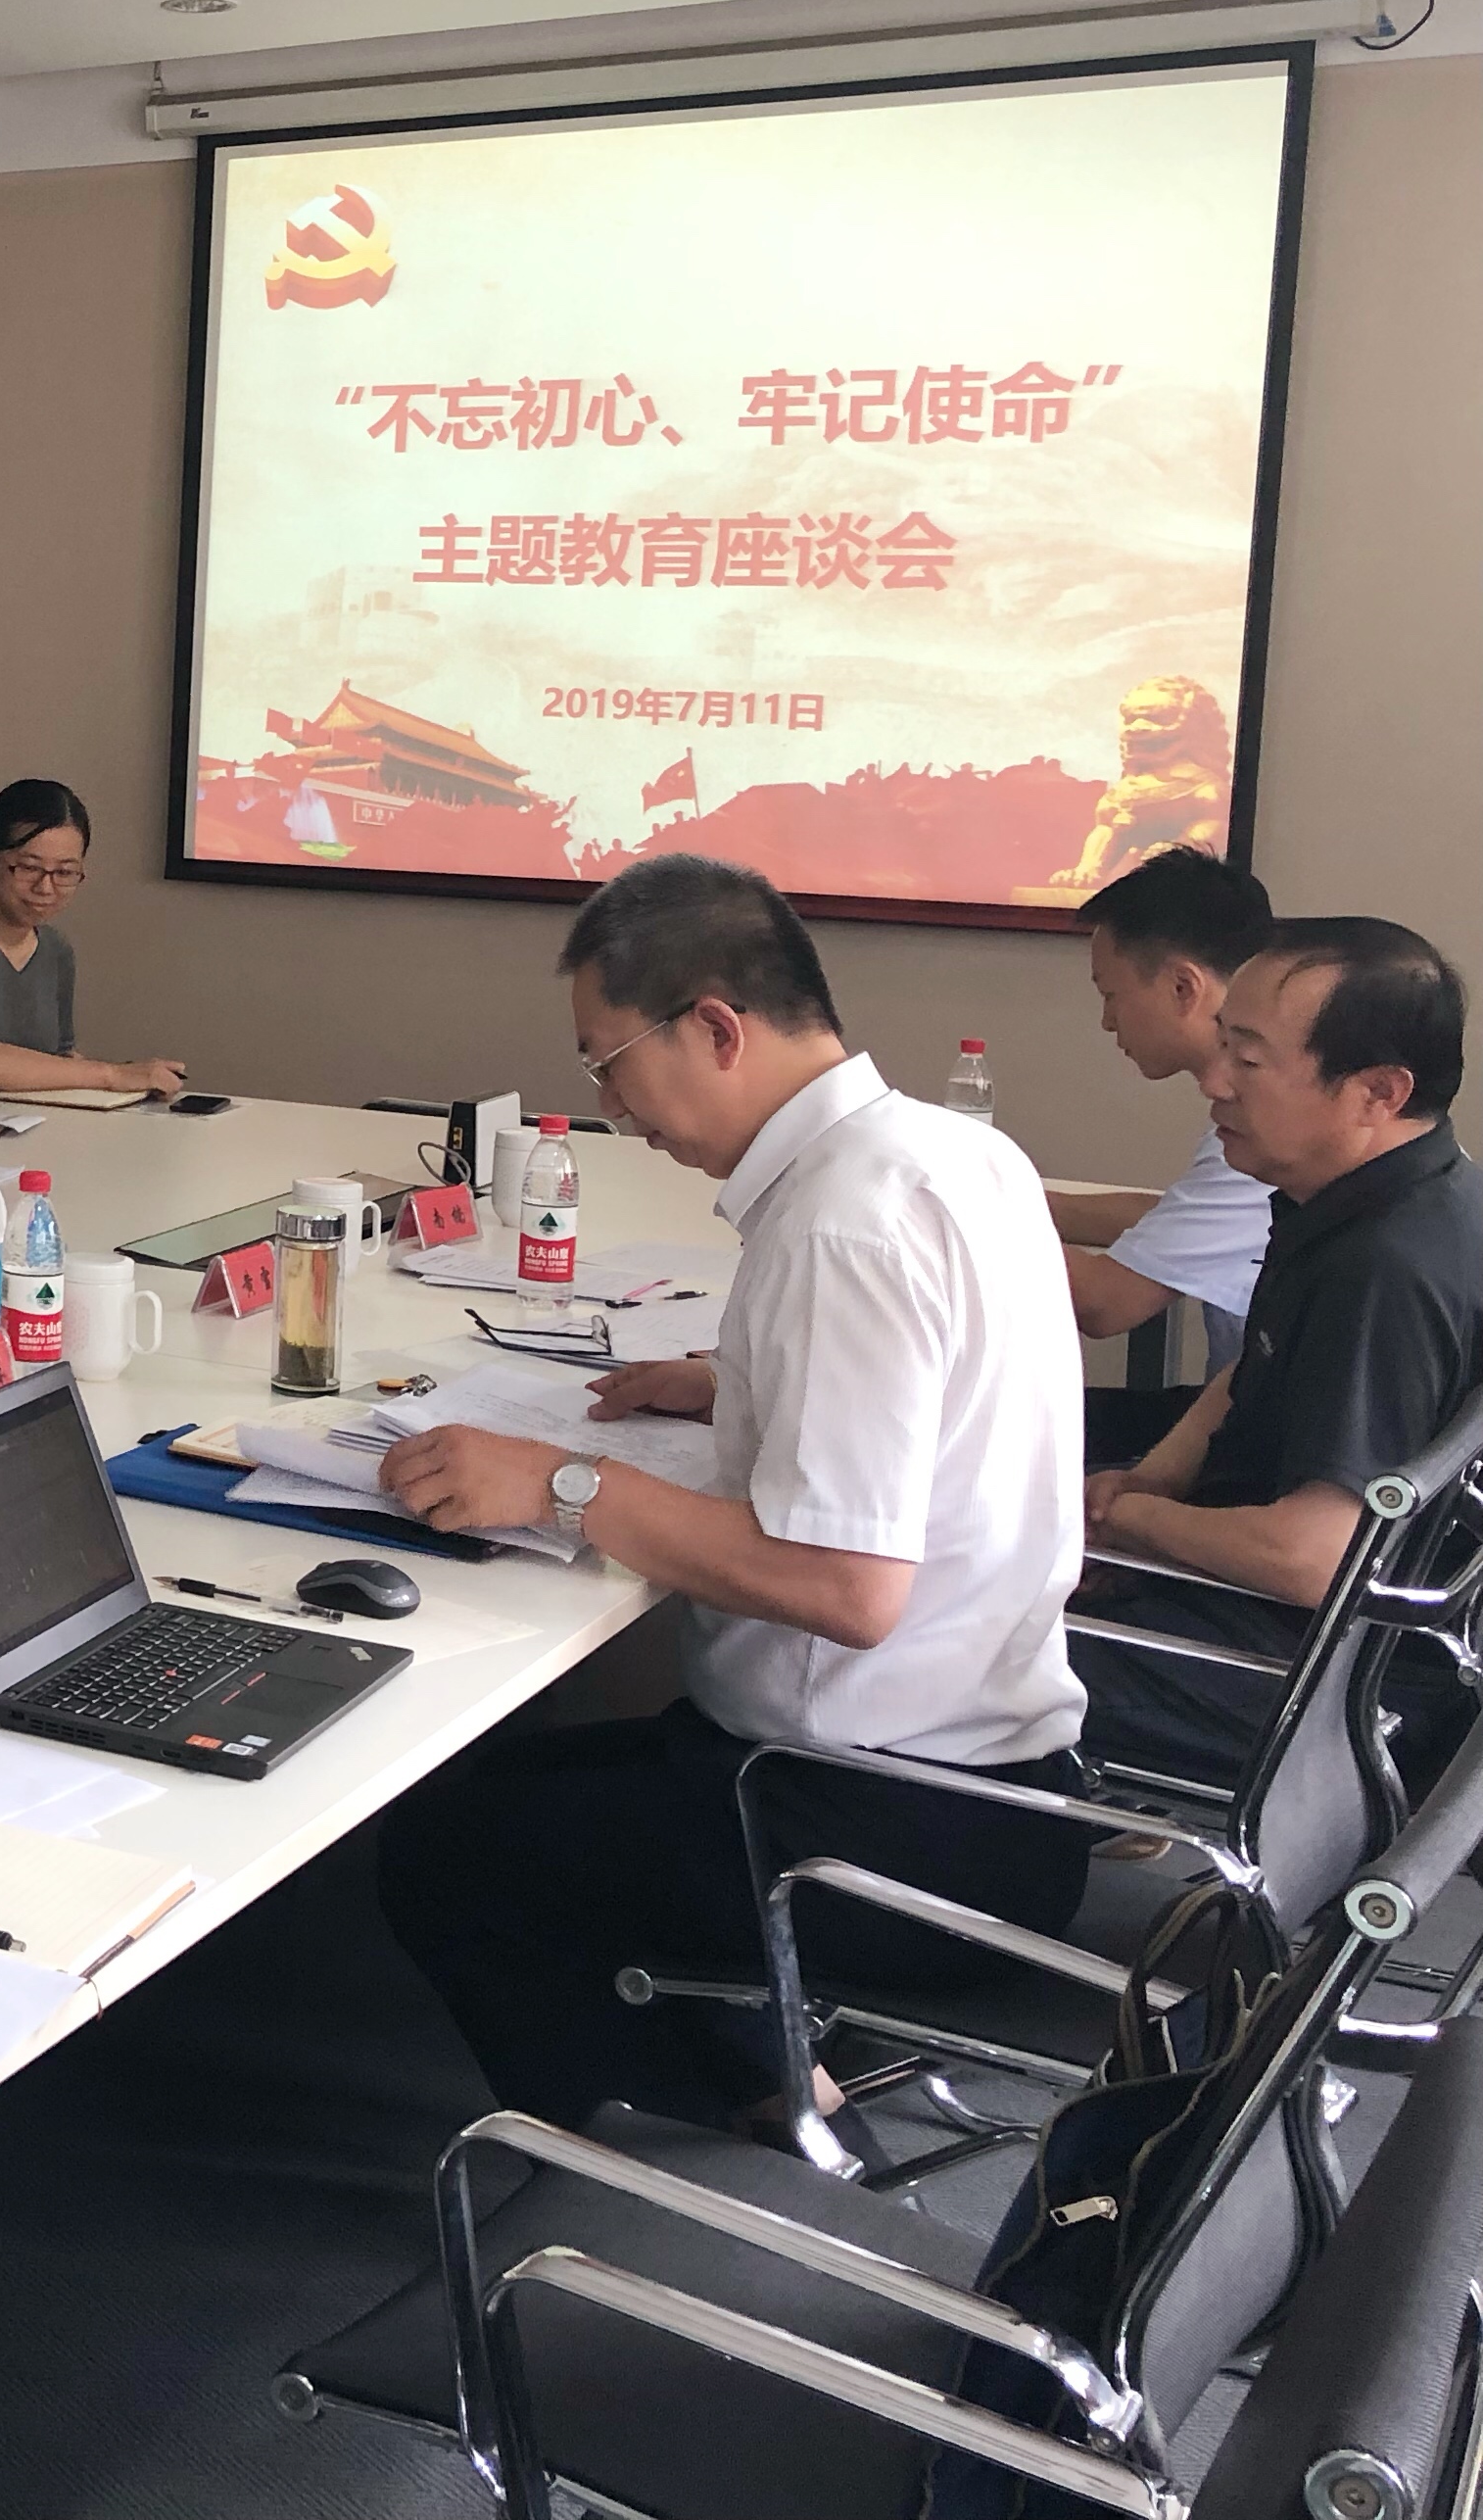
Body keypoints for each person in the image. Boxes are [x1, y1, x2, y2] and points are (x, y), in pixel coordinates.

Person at [370, 855, 1094, 2137]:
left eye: (608, 1064)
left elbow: (847, 1590)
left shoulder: (839, 1227)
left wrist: (558, 1483)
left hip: (876, 1816)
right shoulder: (951, 1154)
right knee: (545, 1781)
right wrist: (739, 1384)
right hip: (1006, 1781)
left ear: (715, 1026)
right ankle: (769, 2065)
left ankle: (668, 2159)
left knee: (450, 1844)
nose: (610, 1105)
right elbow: (943, 1390)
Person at [1071, 919, 1483, 1786]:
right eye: (1222, 1046)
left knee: (948, 1648)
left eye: (1248, 1060)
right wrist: (1148, 1483)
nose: (1214, 1082)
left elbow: (1314, 1556)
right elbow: (1252, 1370)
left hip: (1309, 1673)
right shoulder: (1389, 1193)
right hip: (1288, 1618)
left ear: (1377, 1092)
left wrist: (1136, 1523)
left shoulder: (1386, 1268)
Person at [1055, 847, 1279, 1463]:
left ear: (1184, 986)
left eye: (1112, 994)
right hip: (1235, 1409)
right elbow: (1177, 1218)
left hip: (1256, 1448)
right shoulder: (1262, 1114)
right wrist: (1028, 1198)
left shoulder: (1269, 1129)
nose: (1107, 1022)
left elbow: (1104, 1303)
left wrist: (961, 1208)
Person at [0, 781, 189, 1102]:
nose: (45, 888)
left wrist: (134, 1085)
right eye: (29, 868)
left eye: (64, 873)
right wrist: (112, 1075)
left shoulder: (55, 949)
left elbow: (61, 1058)